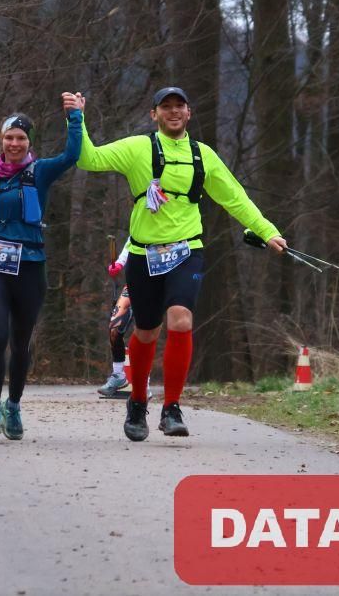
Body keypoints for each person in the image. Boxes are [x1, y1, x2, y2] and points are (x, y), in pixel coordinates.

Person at [76, 86, 287, 441]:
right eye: (166, 107)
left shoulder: (203, 156)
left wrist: (267, 231)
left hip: (187, 250)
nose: (173, 112)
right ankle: (138, 402)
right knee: (146, 331)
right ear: (154, 114)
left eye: (180, 106)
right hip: (144, 254)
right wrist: (76, 119)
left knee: (181, 319)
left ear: (189, 113)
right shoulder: (138, 148)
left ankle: (172, 407)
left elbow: (235, 198)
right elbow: (89, 159)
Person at [0, 94, 83, 440]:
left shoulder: (41, 172)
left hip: (31, 266)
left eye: (21, 138)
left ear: (29, 142)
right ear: (1, 140)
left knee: (21, 342)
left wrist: (75, 117)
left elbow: (72, 155)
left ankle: (14, 406)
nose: (14, 143)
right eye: (9, 137)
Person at [97, 238, 152, 398]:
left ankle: (144, 383)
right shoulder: (139, 226)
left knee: (145, 332)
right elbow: (130, 244)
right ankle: (118, 376)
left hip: (154, 284)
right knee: (114, 329)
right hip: (133, 285)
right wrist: (119, 263)